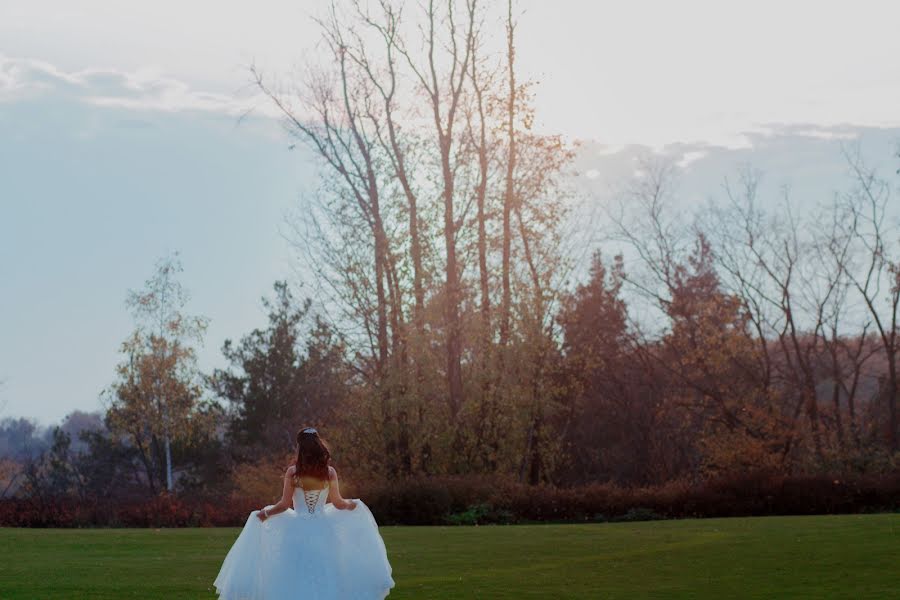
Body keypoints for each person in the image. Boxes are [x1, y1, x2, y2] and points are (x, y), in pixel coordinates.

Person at [213, 427, 395, 599]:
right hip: (324, 529)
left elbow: (284, 505)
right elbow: (338, 503)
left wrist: (265, 514)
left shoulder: (293, 473)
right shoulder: (329, 472)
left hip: (296, 530)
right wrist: (352, 505)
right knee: (325, 572)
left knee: (294, 573)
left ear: (300, 447)